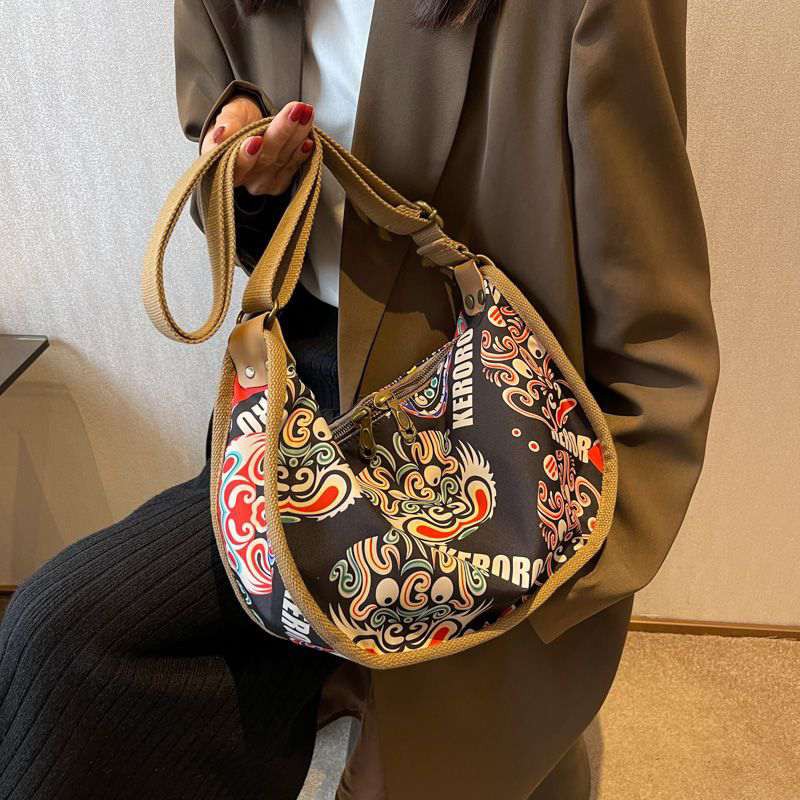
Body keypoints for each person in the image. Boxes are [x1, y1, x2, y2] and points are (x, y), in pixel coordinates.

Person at [0, 0, 721, 798]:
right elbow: (235, 196)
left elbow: (651, 310)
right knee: (66, 647)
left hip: (493, 424)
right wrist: (248, 177)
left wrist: (582, 561)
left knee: (451, 753)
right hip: (301, 394)